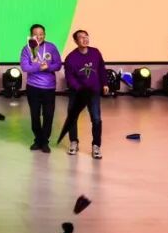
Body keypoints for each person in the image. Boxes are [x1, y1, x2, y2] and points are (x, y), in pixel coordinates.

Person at [64, 30, 110, 160]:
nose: (84, 39)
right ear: (75, 41)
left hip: (93, 91)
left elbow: (101, 69)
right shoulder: (71, 57)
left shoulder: (95, 52)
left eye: (86, 36)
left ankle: (96, 146)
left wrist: (104, 83)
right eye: (81, 37)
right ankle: (74, 142)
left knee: (96, 119)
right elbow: (69, 77)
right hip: (77, 93)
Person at [20, 23, 62, 153]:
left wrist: (48, 67)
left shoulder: (51, 47)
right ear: (31, 35)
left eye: (41, 34)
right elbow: (25, 67)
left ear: (45, 34)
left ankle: (45, 141)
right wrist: (39, 67)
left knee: (48, 115)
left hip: (49, 88)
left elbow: (58, 64)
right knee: (35, 115)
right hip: (33, 87)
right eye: (35, 34)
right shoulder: (27, 49)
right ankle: (38, 140)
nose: (38, 36)